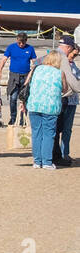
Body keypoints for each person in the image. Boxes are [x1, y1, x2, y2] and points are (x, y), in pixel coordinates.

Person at [23, 51, 66, 170]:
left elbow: (27, 85)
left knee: (36, 133)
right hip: (50, 107)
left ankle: (37, 161)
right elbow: (65, 88)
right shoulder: (59, 73)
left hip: (34, 104)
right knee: (49, 134)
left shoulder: (36, 69)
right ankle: (47, 161)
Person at [50, 36, 80, 166]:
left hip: (48, 96)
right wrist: (78, 88)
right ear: (68, 47)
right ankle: (55, 156)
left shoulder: (51, 55)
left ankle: (46, 156)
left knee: (51, 128)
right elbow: (70, 79)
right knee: (57, 129)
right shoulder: (62, 58)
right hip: (60, 97)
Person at [0, 32, 37, 127]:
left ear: (26, 41)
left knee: (24, 98)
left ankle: (22, 119)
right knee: (13, 98)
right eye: (19, 43)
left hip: (25, 76)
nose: (21, 45)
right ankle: (13, 117)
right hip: (14, 76)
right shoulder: (11, 47)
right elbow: (4, 59)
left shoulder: (30, 48)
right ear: (17, 40)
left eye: (23, 43)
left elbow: (35, 62)